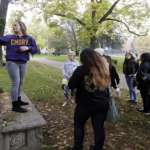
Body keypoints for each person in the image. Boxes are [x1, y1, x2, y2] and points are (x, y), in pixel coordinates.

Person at [67, 48, 110, 150]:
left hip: (85, 105)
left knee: (78, 126)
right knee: (99, 128)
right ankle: (98, 148)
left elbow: (71, 85)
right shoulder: (102, 68)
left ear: (83, 58)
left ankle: (78, 148)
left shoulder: (81, 69)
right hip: (101, 103)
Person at [0, 20, 38, 113]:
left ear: (21, 26)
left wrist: (28, 48)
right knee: (15, 83)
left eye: (15, 25)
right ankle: (15, 105)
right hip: (12, 62)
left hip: (23, 63)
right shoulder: (9, 38)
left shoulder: (29, 38)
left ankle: (18, 99)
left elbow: (35, 50)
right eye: (12, 25)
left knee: (20, 82)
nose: (13, 27)